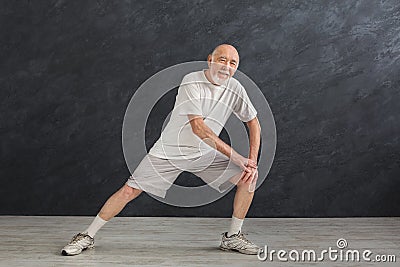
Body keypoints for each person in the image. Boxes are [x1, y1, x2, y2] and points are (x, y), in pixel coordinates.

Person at [61, 44, 262, 256]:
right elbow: (198, 128)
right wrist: (238, 157)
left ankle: (232, 238)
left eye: (233, 63)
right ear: (210, 59)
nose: (226, 67)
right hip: (170, 152)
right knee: (129, 190)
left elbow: (254, 123)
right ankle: (86, 236)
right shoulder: (192, 81)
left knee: (248, 177)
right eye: (222, 60)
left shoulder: (236, 88)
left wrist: (252, 161)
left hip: (205, 154)